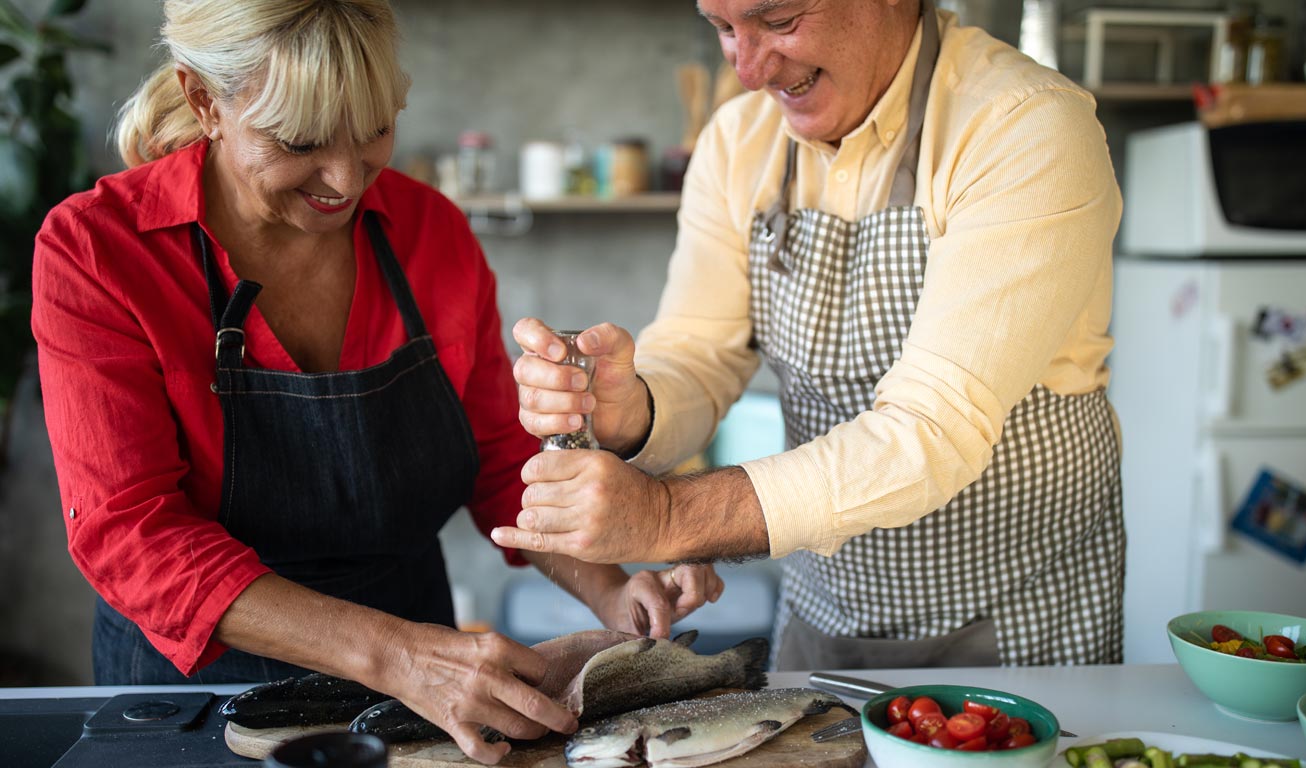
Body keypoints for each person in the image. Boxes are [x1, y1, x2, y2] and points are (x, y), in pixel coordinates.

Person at [31, 1, 720, 763]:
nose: (344, 180)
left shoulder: (430, 232)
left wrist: (610, 591)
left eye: (373, 134)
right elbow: (131, 533)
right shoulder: (98, 251)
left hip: (416, 702)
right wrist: (397, 656)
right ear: (204, 102)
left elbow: (495, 458)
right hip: (197, 696)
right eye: (299, 141)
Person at [498, 0, 1124, 671]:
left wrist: (666, 516)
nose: (747, 69)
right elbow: (699, 351)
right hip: (825, 609)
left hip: (1021, 621)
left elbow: (931, 431)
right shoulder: (738, 141)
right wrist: (636, 408)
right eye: (724, 29)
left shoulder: (1023, 125)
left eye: (780, 20)